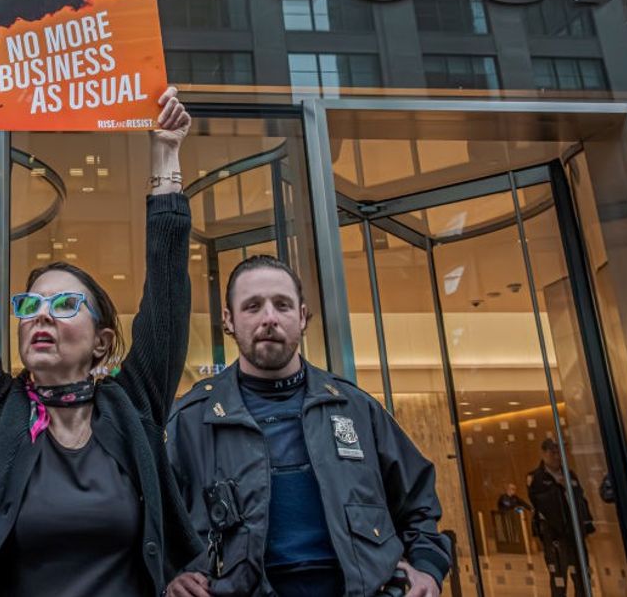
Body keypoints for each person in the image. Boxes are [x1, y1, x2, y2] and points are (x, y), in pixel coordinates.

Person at [0, 83, 203, 596]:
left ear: (101, 341)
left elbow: (167, 292)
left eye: (65, 305)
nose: (40, 316)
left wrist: (166, 150)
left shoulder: (133, 407)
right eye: (30, 305)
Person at [166, 255, 451, 597]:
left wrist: (428, 570)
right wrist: (171, 577)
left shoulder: (357, 409)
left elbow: (418, 504)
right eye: (252, 306)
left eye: (282, 305)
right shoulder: (191, 420)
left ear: (302, 317)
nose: (269, 318)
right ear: (228, 320)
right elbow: (153, 523)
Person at [527, 438, 594, 597]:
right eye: (553, 452)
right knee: (559, 578)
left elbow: (580, 500)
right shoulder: (536, 478)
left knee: (581, 577)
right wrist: (560, 487)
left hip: (574, 533)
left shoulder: (570, 474)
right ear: (544, 453)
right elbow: (539, 502)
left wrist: (586, 525)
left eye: (559, 452)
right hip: (554, 536)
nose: (557, 456)